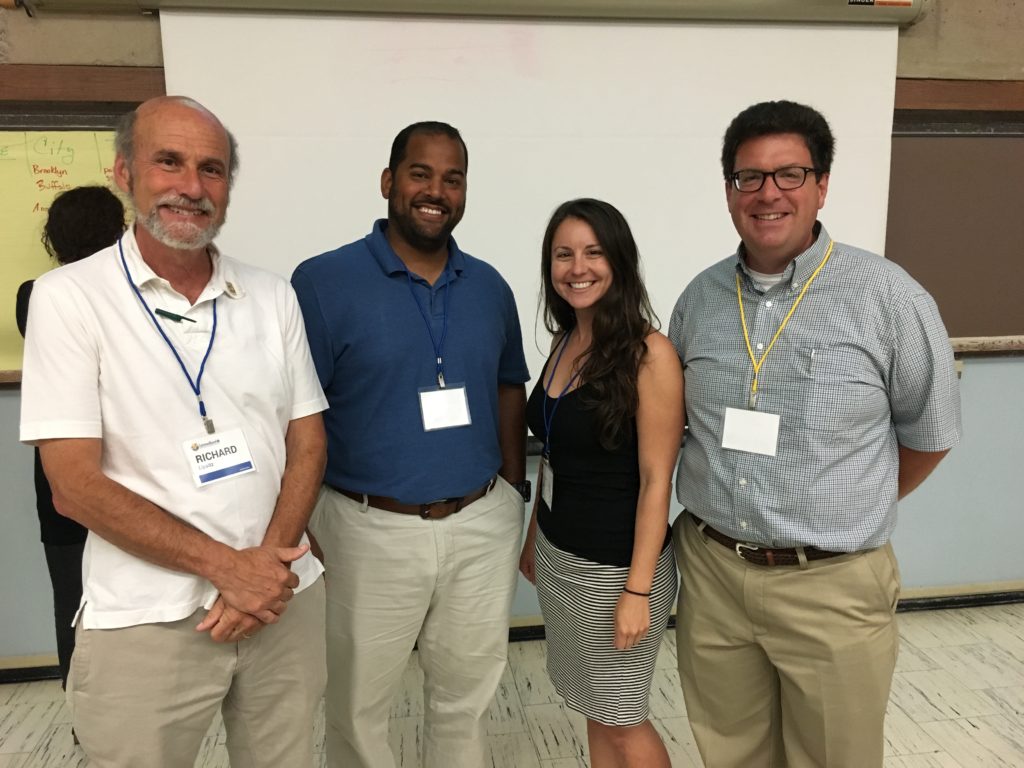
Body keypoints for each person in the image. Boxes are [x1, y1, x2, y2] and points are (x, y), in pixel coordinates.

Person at [19, 95, 328, 768]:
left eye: (211, 169)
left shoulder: (272, 297)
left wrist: (264, 573)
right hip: (147, 617)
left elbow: (308, 441)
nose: (191, 186)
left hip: (283, 602)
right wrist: (229, 572)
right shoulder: (70, 300)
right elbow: (73, 487)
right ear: (125, 173)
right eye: (170, 162)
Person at [668, 100, 962, 767]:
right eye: (750, 177)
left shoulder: (889, 298)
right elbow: (677, 425)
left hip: (830, 584)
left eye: (789, 174)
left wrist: (848, 504)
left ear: (822, 184)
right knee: (731, 753)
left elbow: (931, 432)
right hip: (713, 573)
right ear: (729, 191)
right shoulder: (700, 299)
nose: (768, 193)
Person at [291, 120, 530, 768]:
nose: (436, 190)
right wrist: (296, 521)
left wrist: (512, 489)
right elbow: (291, 413)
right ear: (389, 181)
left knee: (465, 700)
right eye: (421, 173)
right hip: (368, 528)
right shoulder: (321, 282)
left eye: (453, 178)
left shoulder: (489, 287)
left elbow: (510, 386)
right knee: (358, 708)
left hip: (480, 524)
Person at [518, 198, 683, 768]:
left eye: (592, 252)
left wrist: (637, 593)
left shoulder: (649, 353)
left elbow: (657, 479)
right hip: (560, 556)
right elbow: (555, 452)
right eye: (563, 254)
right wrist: (532, 537)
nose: (576, 267)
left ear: (619, 261)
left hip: (615, 571)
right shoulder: (566, 341)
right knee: (597, 708)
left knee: (623, 718)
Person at [15, 185, 125, 692]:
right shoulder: (53, 296)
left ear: (54, 237)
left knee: (72, 598)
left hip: (63, 466)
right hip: (120, 466)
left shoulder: (34, 293)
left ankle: (86, 710)